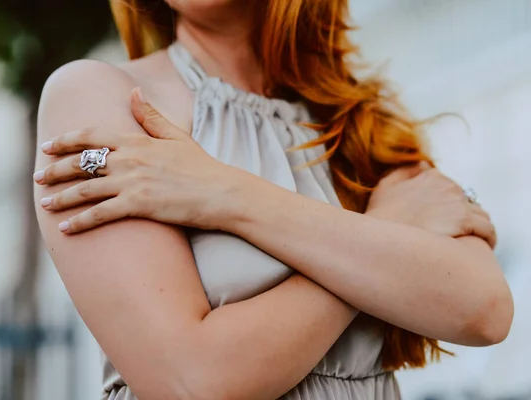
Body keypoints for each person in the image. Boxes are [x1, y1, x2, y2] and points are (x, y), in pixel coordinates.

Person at [33, 1, 514, 399]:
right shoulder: (103, 98)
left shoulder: (360, 125)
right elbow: (190, 382)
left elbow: (485, 311)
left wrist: (227, 193)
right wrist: (384, 227)